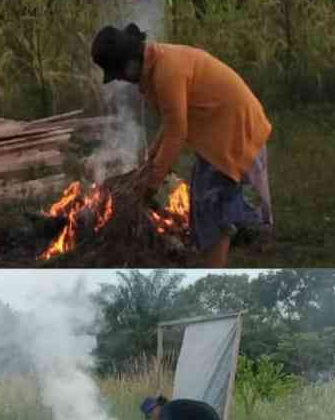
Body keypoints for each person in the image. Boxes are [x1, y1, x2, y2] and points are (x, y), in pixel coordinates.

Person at [91, 22, 273, 268]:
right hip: (222, 129)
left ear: (131, 64)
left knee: (211, 209)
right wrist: (150, 161)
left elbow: (177, 132)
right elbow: (171, 120)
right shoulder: (158, 62)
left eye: (121, 75)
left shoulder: (167, 72)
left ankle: (214, 273)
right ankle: (245, 228)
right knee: (206, 200)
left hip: (232, 133)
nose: (124, 81)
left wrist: (151, 186)